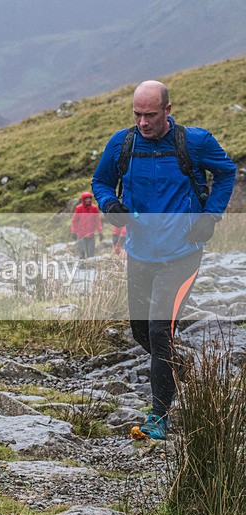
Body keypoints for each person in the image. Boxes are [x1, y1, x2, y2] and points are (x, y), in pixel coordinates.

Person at [92, 80, 236, 440]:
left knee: (159, 330)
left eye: (150, 115)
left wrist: (210, 216)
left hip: (182, 254)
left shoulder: (195, 142)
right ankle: (178, 364)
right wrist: (110, 205)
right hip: (140, 252)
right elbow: (101, 182)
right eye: (137, 114)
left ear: (167, 111)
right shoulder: (122, 144)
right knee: (141, 330)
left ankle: (158, 416)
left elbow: (226, 172)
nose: (143, 122)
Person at [70, 191, 103, 259]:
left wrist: (100, 232)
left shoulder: (94, 208)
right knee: (81, 253)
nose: (88, 200)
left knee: (91, 253)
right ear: (83, 199)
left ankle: (90, 267)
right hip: (80, 234)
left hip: (91, 234)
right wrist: (73, 232)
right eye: (86, 198)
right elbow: (74, 221)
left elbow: (98, 221)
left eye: (89, 198)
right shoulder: (78, 208)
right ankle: (82, 266)